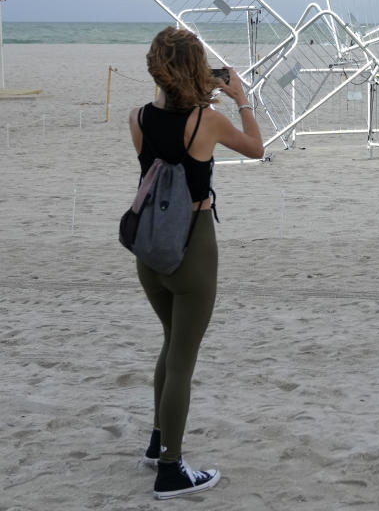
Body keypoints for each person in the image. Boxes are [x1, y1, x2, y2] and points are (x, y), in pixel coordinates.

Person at [130, 27, 264, 499]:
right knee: (182, 358)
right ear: (195, 69)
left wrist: (190, 89)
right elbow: (256, 147)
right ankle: (171, 469)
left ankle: (156, 441)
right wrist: (241, 96)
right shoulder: (205, 122)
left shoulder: (138, 118)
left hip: (150, 252)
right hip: (193, 246)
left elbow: (161, 157)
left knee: (171, 345)